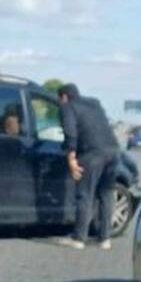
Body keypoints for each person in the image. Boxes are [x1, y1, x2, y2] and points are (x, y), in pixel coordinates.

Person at [57, 84, 119, 250]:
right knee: (106, 195)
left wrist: (71, 159)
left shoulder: (68, 106)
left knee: (84, 194)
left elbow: (71, 133)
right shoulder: (95, 103)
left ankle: (79, 238)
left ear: (63, 97)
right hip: (114, 152)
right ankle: (105, 239)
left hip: (92, 154)